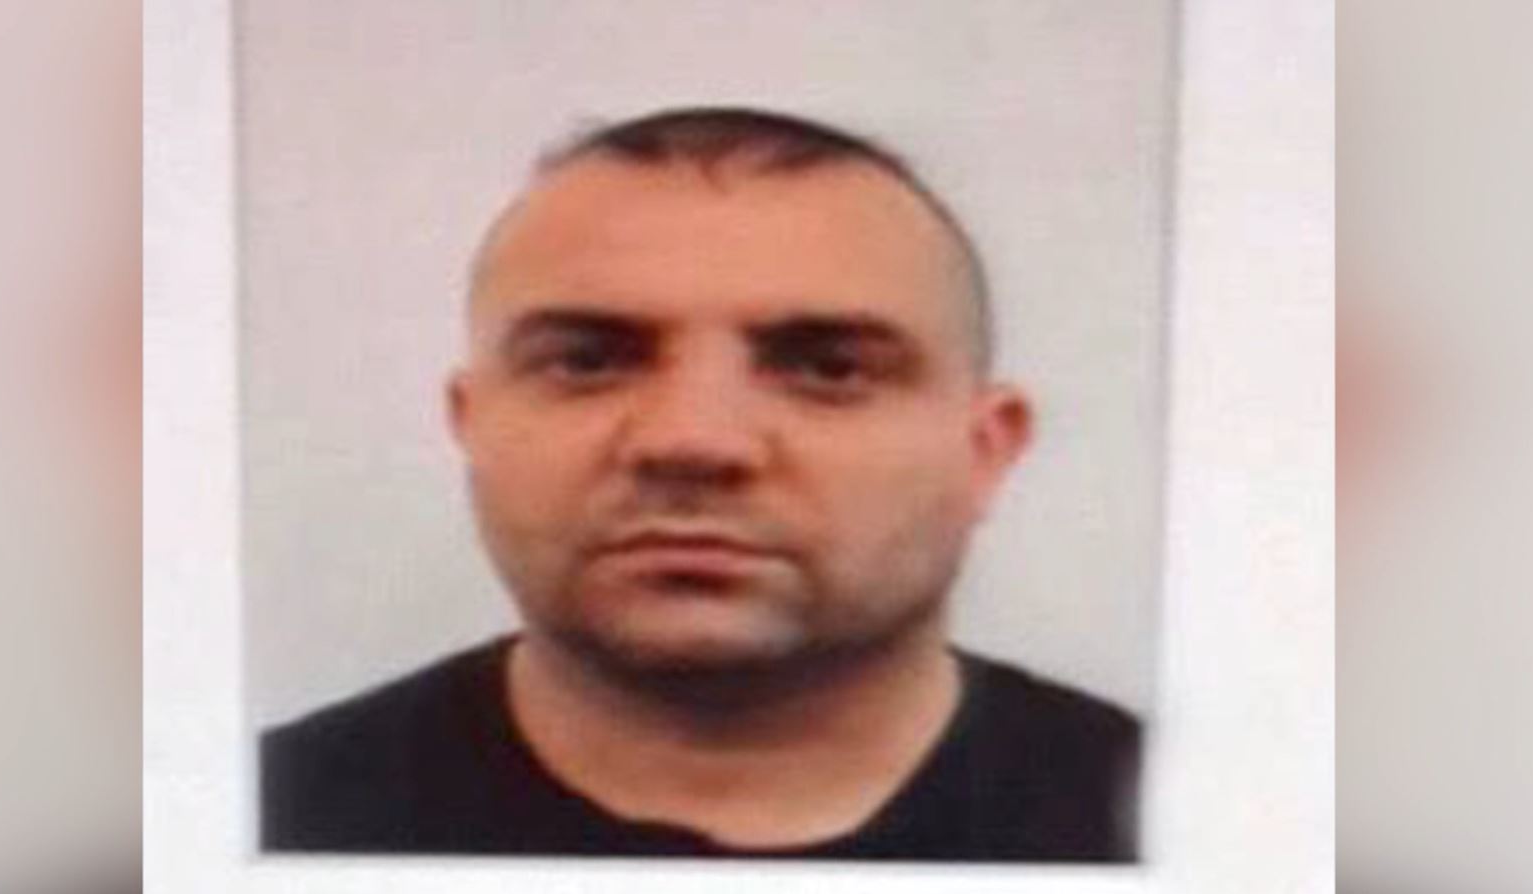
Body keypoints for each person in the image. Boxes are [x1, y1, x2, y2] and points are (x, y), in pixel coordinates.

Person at [262, 107, 1141, 862]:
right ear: (471, 424)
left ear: (984, 451)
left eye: (828, 369)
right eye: (587, 361)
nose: (691, 440)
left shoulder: (1184, 821)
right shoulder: (256, 820)